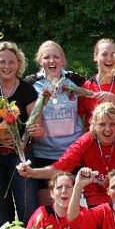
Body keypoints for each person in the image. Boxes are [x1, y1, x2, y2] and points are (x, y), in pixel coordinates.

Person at [16, 102, 115, 207]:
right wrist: (32, 172)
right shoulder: (86, 141)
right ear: (93, 125)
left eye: (112, 124)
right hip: (96, 199)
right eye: (102, 124)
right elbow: (61, 168)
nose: (108, 129)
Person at [0, 41, 39, 228]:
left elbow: (37, 127)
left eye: (11, 61)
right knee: (3, 217)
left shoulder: (27, 89)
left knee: (29, 212)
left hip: (21, 157)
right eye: (2, 62)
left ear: (19, 64)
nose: (7, 66)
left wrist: (32, 134)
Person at [24, 41, 87, 184]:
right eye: (46, 57)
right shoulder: (30, 83)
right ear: (40, 61)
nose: (51, 61)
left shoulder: (75, 80)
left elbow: (95, 92)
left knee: (71, 201)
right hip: (43, 154)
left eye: (56, 57)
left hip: (73, 152)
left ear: (63, 61)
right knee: (48, 203)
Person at [79, 38, 115, 129]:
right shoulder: (87, 86)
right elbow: (79, 120)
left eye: (113, 55)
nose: (109, 59)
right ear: (95, 57)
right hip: (96, 141)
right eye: (104, 54)